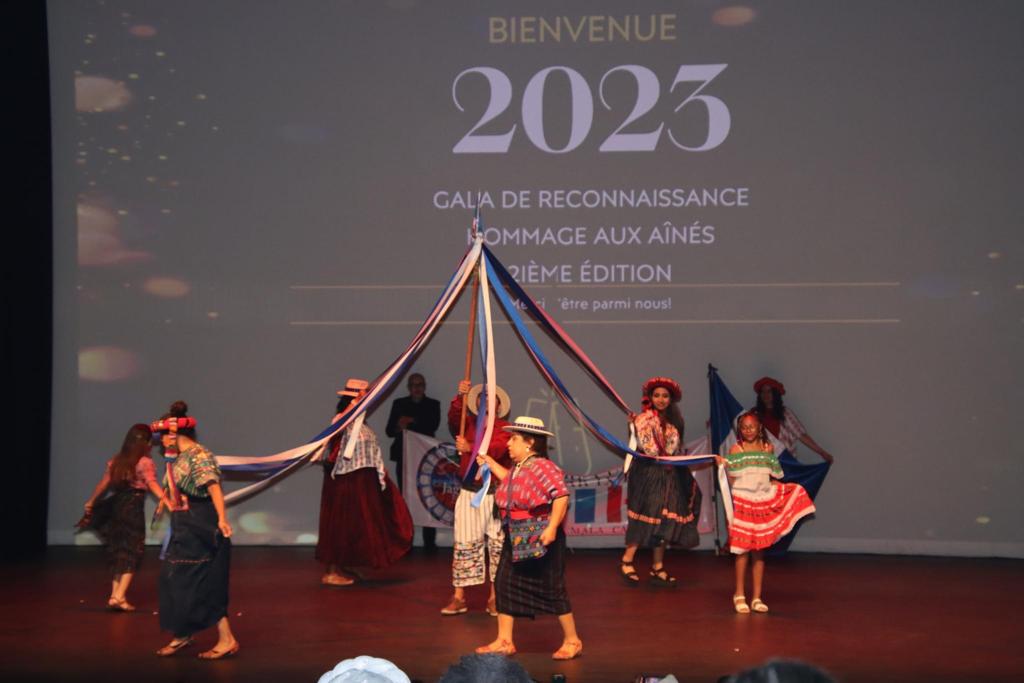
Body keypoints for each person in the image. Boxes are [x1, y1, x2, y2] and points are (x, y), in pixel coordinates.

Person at [474, 416, 582, 660]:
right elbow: (512, 483)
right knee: (504, 583)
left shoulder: (543, 466)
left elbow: (561, 496)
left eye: (514, 439)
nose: (508, 443)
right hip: (516, 534)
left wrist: (552, 528)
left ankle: (573, 640)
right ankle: (504, 641)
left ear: (529, 442)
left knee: (552, 587)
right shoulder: (520, 467)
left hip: (540, 534)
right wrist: (490, 463)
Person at [154, 401, 239, 659]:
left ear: (173, 434)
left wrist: (222, 519)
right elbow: (174, 485)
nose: (160, 442)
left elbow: (213, 487)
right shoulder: (178, 458)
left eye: (162, 437)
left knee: (203, 581)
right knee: (175, 579)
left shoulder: (199, 455)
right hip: (184, 523)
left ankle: (226, 639)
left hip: (200, 522)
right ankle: (183, 634)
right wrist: (166, 501)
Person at [317, 379, 413, 586]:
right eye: (362, 397)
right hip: (346, 480)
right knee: (340, 524)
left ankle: (346, 564)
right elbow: (335, 438)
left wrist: (380, 473)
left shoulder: (362, 424)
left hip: (363, 480)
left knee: (357, 525)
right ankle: (331, 571)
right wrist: (354, 405)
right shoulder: (342, 420)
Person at [718, 411, 816, 614]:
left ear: (759, 427)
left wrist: (774, 488)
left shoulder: (767, 448)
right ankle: (739, 594)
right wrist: (723, 466)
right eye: (744, 427)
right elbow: (733, 479)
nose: (748, 430)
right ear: (740, 430)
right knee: (742, 551)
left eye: (752, 426)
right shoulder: (736, 449)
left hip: (761, 501)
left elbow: (772, 475)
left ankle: (757, 597)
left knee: (759, 552)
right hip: (744, 502)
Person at [80, 423, 177, 611]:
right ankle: (119, 596)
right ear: (145, 443)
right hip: (132, 508)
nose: (151, 445)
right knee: (132, 550)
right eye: (150, 441)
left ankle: (115, 596)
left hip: (117, 506)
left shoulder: (117, 461)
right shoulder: (144, 462)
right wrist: (168, 502)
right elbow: (152, 484)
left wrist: (91, 501)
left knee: (119, 550)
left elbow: (103, 484)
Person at [620, 377, 702, 587]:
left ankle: (657, 566)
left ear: (671, 399)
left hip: (668, 475)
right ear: (650, 397)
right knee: (645, 515)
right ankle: (627, 560)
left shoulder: (675, 422)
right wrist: (634, 426)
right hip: (647, 474)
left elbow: (672, 450)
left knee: (665, 520)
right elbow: (649, 449)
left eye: (665, 396)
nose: (661, 399)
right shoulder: (642, 419)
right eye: (657, 395)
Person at [441, 380, 513, 617]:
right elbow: (454, 418)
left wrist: (469, 447)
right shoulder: (469, 423)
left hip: (495, 494)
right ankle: (459, 597)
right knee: (464, 542)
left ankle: (495, 597)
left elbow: (497, 450)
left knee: (497, 545)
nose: (486, 401)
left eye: (491, 398)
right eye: (482, 398)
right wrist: (460, 397)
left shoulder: (506, 429)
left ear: (499, 405)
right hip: (470, 491)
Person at [385, 372, 441, 550]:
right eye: (414, 385)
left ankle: (429, 542)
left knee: (428, 497)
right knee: (405, 498)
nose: (417, 388)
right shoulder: (399, 404)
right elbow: (389, 431)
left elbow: (432, 425)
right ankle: (406, 540)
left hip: (426, 459)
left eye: (420, 385)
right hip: (404, 457)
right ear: (409, 388)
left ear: (424, 387)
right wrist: (399, 426)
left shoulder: (433, 405)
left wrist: (411, 421)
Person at [752, 377, 833, 464]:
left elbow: (801, 435)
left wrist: (821, 452)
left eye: (769, 391)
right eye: (763, 392)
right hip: (762, 464)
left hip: (784, 463)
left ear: (775, 394)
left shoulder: (785, 413)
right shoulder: (754, 415)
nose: (765, 394)